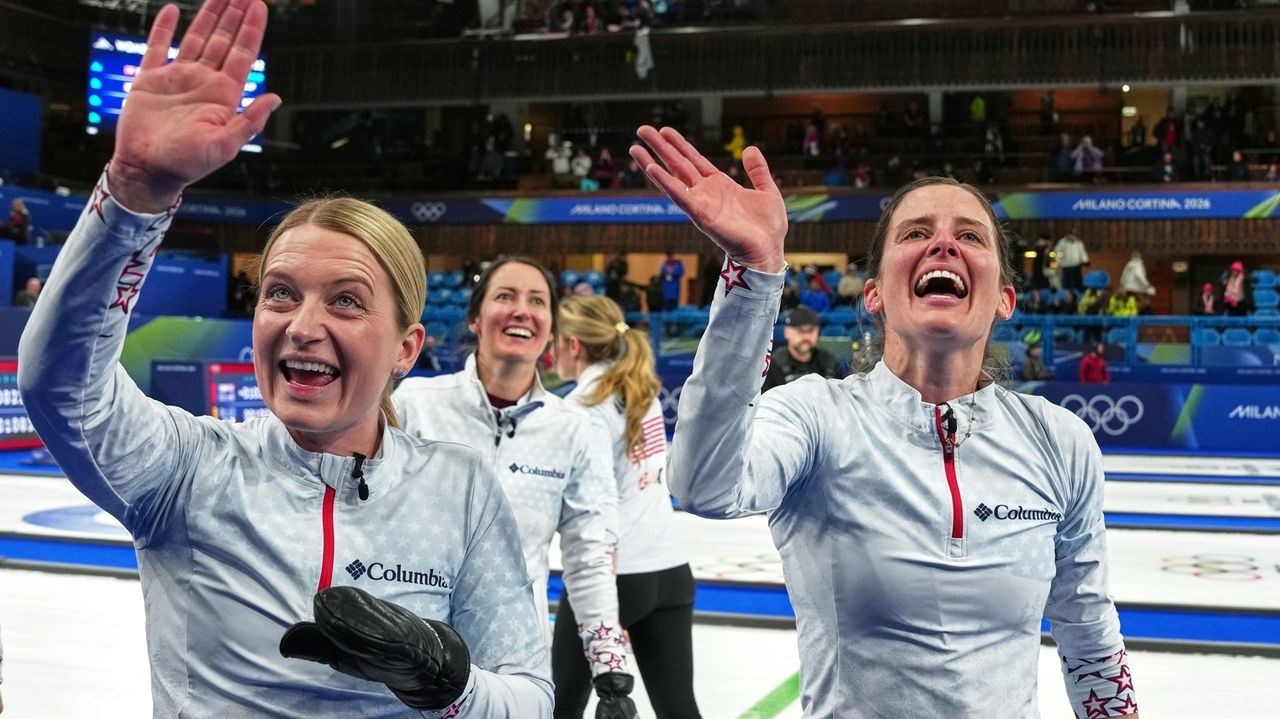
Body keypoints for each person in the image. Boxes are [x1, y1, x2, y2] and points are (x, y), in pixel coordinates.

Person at [17, 2, 552, 716]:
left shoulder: (459, 488)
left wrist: (448, 684)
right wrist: (134, 192)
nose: (302, 326)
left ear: (406, 348)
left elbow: (530, 697)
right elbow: (61, 384)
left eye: (346, 301)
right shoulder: (189, 470)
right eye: (280, 293)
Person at [628, 124, 1139, 718]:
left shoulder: (1059, 440)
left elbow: (1088, 631)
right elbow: (702, 486)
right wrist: (753, 276)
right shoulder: (818, 416)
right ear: (873, 294)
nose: (943, 245)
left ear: (1005, 298)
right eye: (916, 233)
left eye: (969, 235)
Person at [392, 257, 640, 718]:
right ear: (475, 318)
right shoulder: (415, 406)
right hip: (411, 658)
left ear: (550, 329)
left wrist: (610, 671)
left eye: (537, 301)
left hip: (513, 667)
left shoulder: (575, 429)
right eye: (505, 296)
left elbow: (589, 554)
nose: (522, 310)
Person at [551, 294, 701, 719]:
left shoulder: (582, 408)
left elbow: (598, 505)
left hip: (615, 577)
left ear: (573, 345)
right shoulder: (639, 389)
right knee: (680, 710)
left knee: (560, 707)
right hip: (671, 571)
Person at [762, 305, 841, 393]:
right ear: (787, 332)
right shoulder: (772, 366)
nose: (806, 336)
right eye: (800, 331)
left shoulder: (829, 362)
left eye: (811, 331)